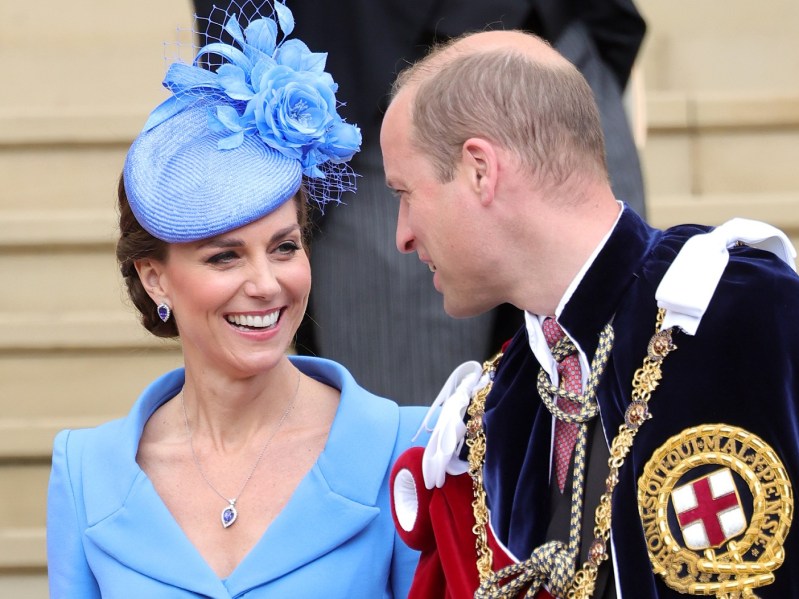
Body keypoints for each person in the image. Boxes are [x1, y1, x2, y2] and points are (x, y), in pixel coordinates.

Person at [381, 30, 799, 598]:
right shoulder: (500, 404)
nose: (402, 236)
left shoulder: (742, 308)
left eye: (405, 193)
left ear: (480, 170)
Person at [46, 3, 429, 597]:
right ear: (155, 279)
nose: (266, 283)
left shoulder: (403, 447)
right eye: (224, 256)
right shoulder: (86, 473)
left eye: (284, 247)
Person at [191, 0, 647, 406]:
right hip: (362, 72)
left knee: (628, 400)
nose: (404, 234)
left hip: (562, 44)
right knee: (409, 444)